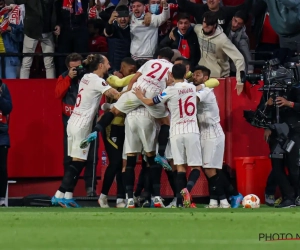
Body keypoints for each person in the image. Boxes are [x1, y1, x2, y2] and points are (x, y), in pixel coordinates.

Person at [82, 47, 175, 172]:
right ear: (170, 59)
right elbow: (171, 87)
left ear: (158, 56)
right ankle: (161, 154)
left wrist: (127, 91)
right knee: (165, 122)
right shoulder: (172, 68)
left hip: (137, 89)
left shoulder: (150, 62)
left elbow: (133, 79)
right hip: (153, 95)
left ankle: (95, 131)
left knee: (114, 111)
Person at [51, 54, 121, 208]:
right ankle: (58, 195)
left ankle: (67, 196)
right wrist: (134, 93)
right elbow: (116, 95)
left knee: (75, 161)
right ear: (101, 65)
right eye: (108, 63)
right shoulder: (97, 81)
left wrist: (105, 107)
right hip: (82, 124)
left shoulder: (86, 77)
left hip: (72, 122)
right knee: (79, 162)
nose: (109, 67)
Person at [134, 63, 202, 208]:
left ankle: (179, 202)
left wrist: (140, 95)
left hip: (176, 132)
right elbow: (202, 88)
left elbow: (150, 102)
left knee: (180, 168)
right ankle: (187, 190)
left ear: (171, 75)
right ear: (185, 75)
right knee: (195, 168)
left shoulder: (169, 91)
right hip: (192, 130)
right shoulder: (192, 87)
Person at [193, 65, 243, 208]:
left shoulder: (206, 91)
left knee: (210, 169)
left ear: (205, 78)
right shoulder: (198, 88)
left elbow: (192, 100)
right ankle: (215, 200)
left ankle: (226, 199)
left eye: (198, 75)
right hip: (203, 133)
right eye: (194, 74)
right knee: (210, 169)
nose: (194, 77)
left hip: (212, 133)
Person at [54, 53, 98, 197]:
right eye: (73, 68)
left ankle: (90, 189)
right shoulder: (63, 76)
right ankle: (68, 190)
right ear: (68, 67)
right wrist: (69, 78)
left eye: (78, 66)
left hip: (88, 120)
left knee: (91, 157)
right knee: (70, 157)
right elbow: (57, 94)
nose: (77, 70)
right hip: (70, 121)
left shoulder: (88, 76)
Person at [98, 57, 137, 208]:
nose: (121, 70)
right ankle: (103, 196)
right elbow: (109, 105)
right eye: (121, 67)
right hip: (111, 126)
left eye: (124, 67)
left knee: (123, 163)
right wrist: (107, 107)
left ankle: (121, 198)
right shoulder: (113, 80)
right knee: (114, 162)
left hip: (125, 127)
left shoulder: (134, 84)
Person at [194, 11, 245, 95]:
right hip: (203, 76)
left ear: (215, 25)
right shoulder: (199, 30)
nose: (206, 26)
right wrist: (174, 30)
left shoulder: (223, 40)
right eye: (204, 23)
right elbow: (191, 26)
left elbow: (239, 58)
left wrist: (240, 81)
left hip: (219, 78)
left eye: (209, 24)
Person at [0, 79, 12, 206]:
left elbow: (8, 108)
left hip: (1, 134)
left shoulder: (3, 87)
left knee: (2, 168)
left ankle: (2, 199)